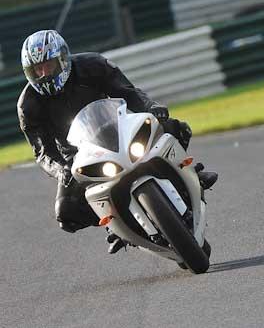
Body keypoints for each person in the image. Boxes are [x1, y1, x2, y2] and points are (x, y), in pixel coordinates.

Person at [17, 30, 218, 254]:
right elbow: (42, 152)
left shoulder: (93, 65)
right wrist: (60, 170)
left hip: (117, 127)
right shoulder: (28, 105)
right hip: (76, 155)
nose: (44, 73)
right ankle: (114, 223)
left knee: (175, 127)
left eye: (49, 65)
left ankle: (191, 176)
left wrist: (151, 108)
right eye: (37, 69)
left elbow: (127, 91)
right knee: (66, 213)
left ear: (62, 58)